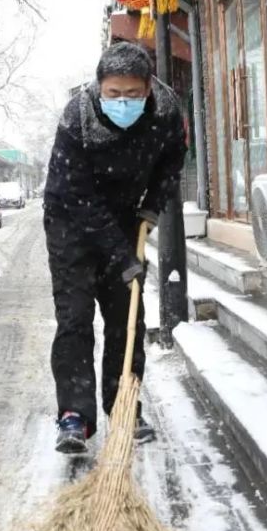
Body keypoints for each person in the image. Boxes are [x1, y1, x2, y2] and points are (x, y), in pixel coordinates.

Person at [43, 41, 186, 454]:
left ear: (149, 88)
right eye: (114, 93)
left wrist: (151, 209)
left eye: (133, 93)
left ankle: (124, 406)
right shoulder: (77, 118)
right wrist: (121, 255)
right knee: (74, 318)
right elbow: (79, 197)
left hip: (125, 214)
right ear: (98, 87)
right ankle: (74, 416)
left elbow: (172, 161)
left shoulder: (166, 111)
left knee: (127, 319)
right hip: (70, 219)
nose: (123, 101)